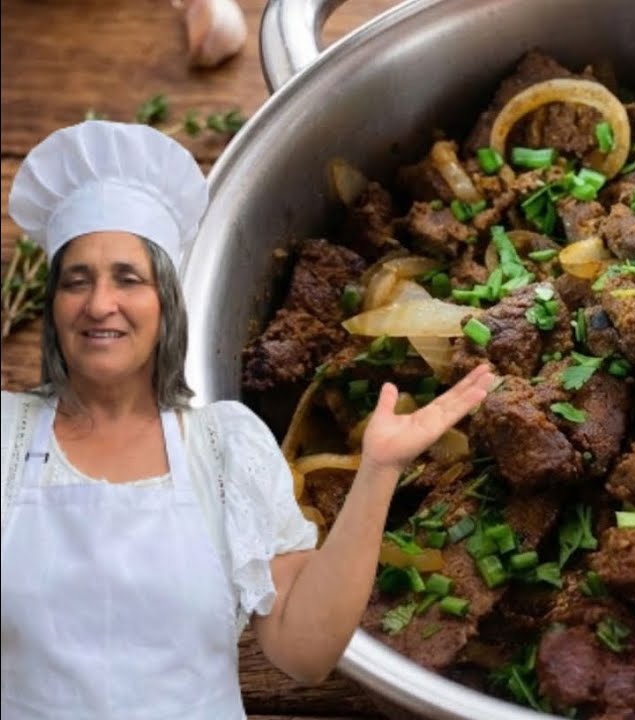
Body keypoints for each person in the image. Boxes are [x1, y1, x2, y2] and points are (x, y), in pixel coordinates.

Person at [0, 120, 496, 718]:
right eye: (76, 282)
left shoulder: (224, 447)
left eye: (128, 279)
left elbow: (302, 652)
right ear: (52, 307)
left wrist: (380, 469)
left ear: (167, 303)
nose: (100, 303)